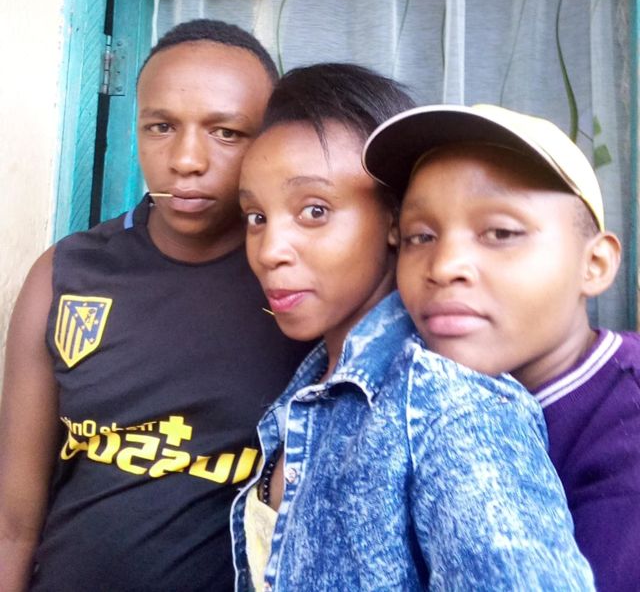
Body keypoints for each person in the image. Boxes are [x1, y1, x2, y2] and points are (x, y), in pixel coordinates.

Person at [231, 64, 595, 592]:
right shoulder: (314, 383)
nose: (270, 251)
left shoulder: (448, 402)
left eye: (314, 210)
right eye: (256, 217)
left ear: (395, 222)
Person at [0, 20, 310, 592]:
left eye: (226, 132)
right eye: (161, 127)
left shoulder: (295, 288)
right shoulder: (67, 274)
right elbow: (14, 524)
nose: (186, 160)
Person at [363, 102, 640, 592]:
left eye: (501, 233)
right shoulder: (409, 394)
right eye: (419, 236)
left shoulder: (627, 435)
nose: (444, 266)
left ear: (594, 264)